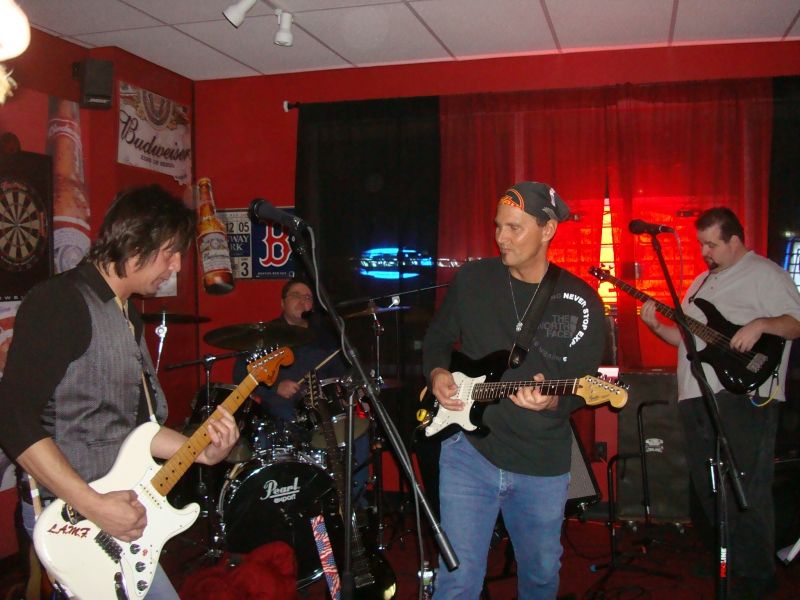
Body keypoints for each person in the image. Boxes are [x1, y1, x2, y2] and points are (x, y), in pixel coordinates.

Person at [0, 185, 240, 599]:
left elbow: (135, 428)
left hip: (115, 515)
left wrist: (201, 450)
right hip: (71, 518)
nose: (177, 266)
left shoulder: (126, 312)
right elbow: (12, 418)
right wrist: (94, 505)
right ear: (134, 242)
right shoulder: (61, 301)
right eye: (170, 252)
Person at [423, 181, 606, 599]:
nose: (500, 237)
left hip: (541, 461)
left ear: (548, 229)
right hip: (469, 453)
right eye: (497, 226)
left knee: (540, 577)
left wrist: (554, 400)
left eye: (514, 228)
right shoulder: (473, 279)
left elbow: (583, 383)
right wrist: (436, 372)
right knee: (457, 578)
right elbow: (437, 338)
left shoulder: (581, 301)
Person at [640, 207, 800, 599]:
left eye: (711, 244)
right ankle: (728, 560)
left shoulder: (764, 273)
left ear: (735, 240)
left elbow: (796, 322)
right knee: (709, 488)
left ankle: (757, 576)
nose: (704, 252)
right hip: (696, 396)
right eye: (701, 244)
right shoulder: (699, 283)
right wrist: (656, 326)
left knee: (746, 486)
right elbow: (686, 342)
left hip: (742, 396)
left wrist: (761, 325)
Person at [232, 278, 370, 501]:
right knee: (285, 415)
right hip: (282, 411)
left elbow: (342, 372)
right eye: (295, 296)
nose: (302, 301)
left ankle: (353, 503)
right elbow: (241, 375)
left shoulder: (325, 338)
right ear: (282, 303)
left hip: (321, 409)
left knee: (358, 431)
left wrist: (348, 386)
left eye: (307, 298)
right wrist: (275, 388)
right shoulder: (265, 336)